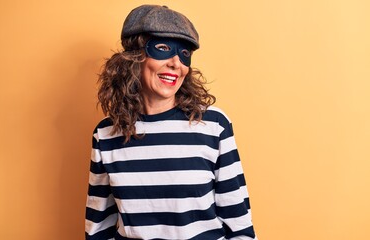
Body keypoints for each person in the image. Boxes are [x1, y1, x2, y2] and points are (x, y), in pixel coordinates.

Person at [85, 4, 257, 240]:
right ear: (134, 57)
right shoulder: (106, 134)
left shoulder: (213, 125)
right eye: (163, 48)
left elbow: (239, 226)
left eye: (185, 54)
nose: (176, 63)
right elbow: (98, 228)